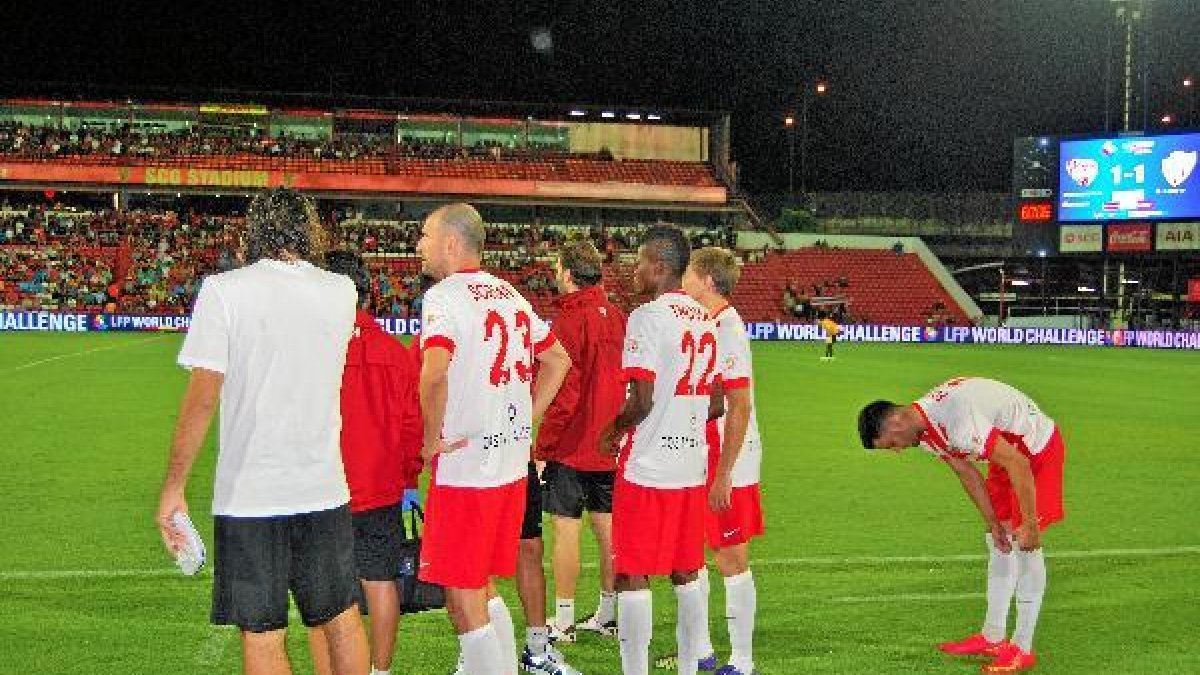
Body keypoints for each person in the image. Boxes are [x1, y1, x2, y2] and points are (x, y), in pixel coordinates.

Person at [156, 188, 370, 675]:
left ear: (256, 230)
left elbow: (203, 397)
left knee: (263, 631)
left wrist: (173, 488)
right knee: (340, 617)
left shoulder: (224, 290)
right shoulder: (342, 291)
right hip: (322, 486)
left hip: (251, 494)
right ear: (308, 229)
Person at [414, 203, 572, 675]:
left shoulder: (444, 297)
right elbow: (558, 359)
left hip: (467, 468)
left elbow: (434, 372)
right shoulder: (510, 294)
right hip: (508, 464)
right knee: (480, 581)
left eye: (424, 235)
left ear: (450, 243)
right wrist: (525, 417)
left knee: (461, 590)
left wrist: (429, 439)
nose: (417, 244)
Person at [857, 377, 1066, 674]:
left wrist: (1031, 524)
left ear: (895, 422)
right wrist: (992, 522)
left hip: (1035, 450)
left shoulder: (956, 418)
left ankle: (1022, 648)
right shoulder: (926, 430)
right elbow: (966, 472)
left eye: (891, 444)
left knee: (1025, 545)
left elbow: (1018, 463)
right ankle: (992, 636)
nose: (897, 450)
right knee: (998, 541)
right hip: (1006, 452)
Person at [599, 225, 723, 675]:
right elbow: (716, 403)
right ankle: (690, 668)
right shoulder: (707, 320)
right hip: (691, 465)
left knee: (631, 572)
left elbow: (643, 400)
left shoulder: (648, 316)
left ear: (660, 267)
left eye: (640, 260)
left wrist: (613, 430)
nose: (634, 269)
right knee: (687, 570)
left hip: (647, 466)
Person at [306, 251, 422, 675]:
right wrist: (409, 479)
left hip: (323, 490)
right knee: (381, 580)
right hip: (381, 487)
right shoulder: (395, 351)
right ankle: (380, 670)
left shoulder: (311, 350)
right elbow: (412, 426)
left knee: (321, 591)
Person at [667, 247, 764, 675]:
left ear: (706, 280)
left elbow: (738, 406)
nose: (682, 278)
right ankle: (701, 650)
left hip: (729, 458)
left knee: (730, 557)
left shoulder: (727, 327)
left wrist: (725, 472)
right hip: (698, 453)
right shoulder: (706, 324)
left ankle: (742, 660)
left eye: (688, 272)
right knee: (690, 552)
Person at [536, 240, 627, 642]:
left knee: (566, 529)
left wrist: (543, 446)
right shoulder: (618, 317)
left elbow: (566, 393)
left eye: (558, 268)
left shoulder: (570, 321)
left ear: (569, 274)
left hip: (574, 443)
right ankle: (608, 614)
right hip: (611, 443)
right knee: (608, 530)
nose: (555, 274)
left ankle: (565, 619)